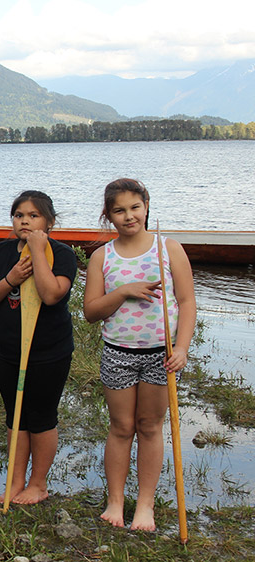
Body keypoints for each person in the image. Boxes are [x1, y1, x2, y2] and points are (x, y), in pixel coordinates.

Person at [84, 178, 196, 531]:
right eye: (119, 210)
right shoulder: (102, 256)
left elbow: (188, 302)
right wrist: (124, 292)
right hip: (118, 353)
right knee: (121, 427)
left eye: (135, 207)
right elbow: (91, 311)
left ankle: (144, 505)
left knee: (150, 427)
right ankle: (116, 501)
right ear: (108, 215)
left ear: (146, 205)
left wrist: (181, 348)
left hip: (160, 355)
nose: (129, 216)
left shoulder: (169, 249)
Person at [0, 190, 77, 505]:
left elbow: (50, 294)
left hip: (49, 352)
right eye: (19, 215)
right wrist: (11, 279)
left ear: (50, 221)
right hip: (8, 350)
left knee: (41, 415)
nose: (25, 221)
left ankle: (38, 483)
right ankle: (15, 481)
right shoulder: (1, 253)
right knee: (15, 416)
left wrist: (37, 248)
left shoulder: (62, 254)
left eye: (34, 216)